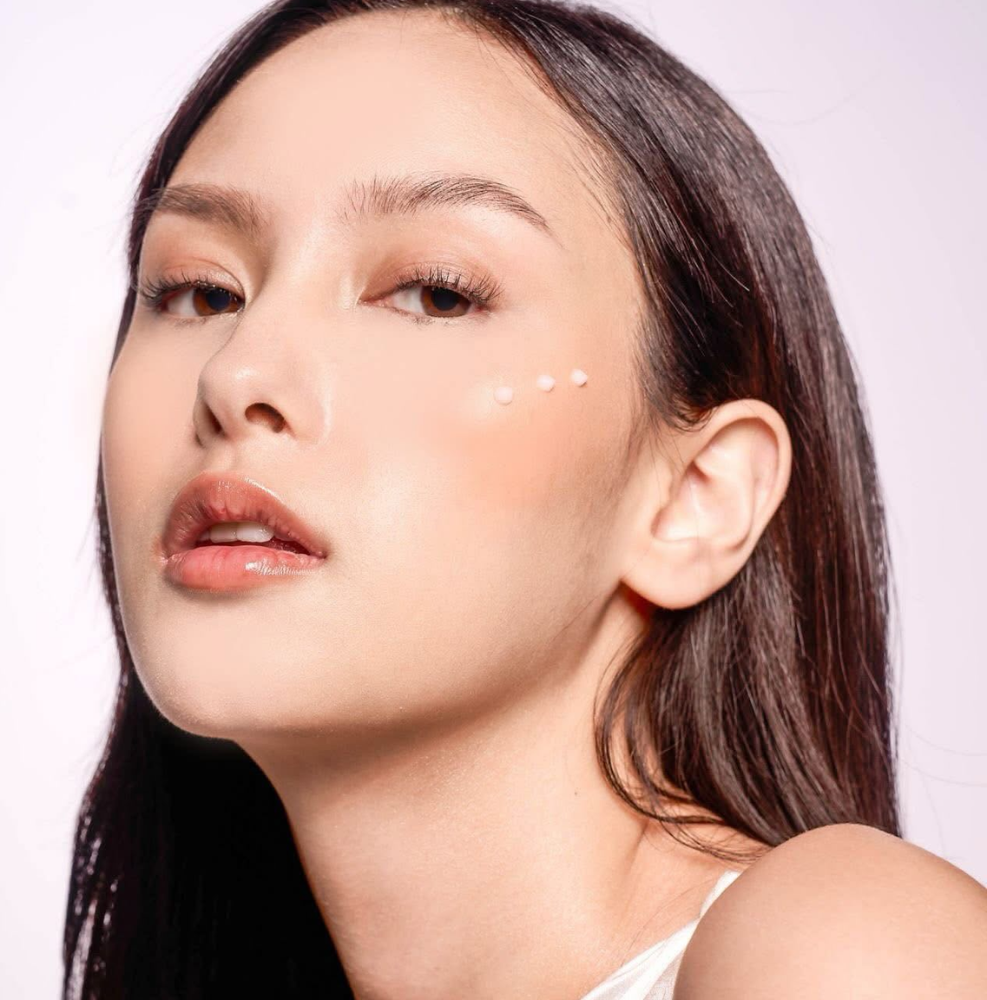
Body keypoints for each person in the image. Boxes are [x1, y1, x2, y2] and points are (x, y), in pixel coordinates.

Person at [65, 0, 987, 997]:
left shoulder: (842, 949)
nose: (237, 372)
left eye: (435, 289)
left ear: (696, 497)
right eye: (199, 291)